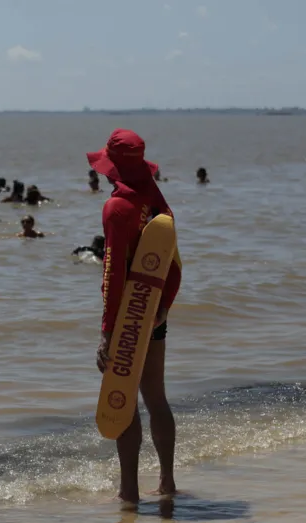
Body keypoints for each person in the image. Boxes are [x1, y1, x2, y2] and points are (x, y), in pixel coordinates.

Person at [87, 128, 183, 502]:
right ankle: (167, 483)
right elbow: (172, 262)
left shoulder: (116, 208)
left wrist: (108, 332)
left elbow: (114, 275)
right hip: (153, 312)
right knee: (156, 397)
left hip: (128, 316)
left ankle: (129, 492)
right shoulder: (155, 198)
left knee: (122, 398)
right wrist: (162, 309)